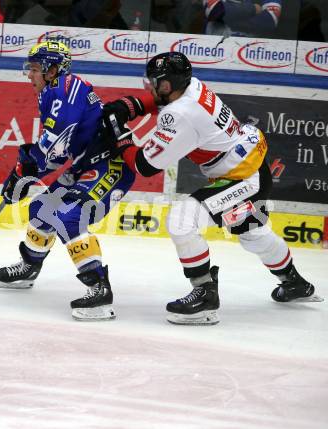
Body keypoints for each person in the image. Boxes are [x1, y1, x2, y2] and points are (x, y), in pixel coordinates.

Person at [103, 51, 323, 325]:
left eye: (154, 81)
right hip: (251, 169)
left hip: (244, 180)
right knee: (252, 233)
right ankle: (295, 283)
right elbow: (164, 100)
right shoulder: (192, 85)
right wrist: (135, 105)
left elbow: (144, 166)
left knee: (182, 220)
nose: (149, 86)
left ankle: (204, 293)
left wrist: (120, 136)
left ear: (168, 85)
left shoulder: (179, 115)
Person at [0, 40, 148, 321]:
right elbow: (57, 154)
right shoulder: (50, 92)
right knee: (41, 210)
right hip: (85, 163)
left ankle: (99, 287)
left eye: (35, 68)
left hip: (110, 164)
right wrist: (25, 174)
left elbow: (53, 146)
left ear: (52, 69)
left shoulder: (66, 90)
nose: (29, 74)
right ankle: (30, 266)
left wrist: (23, 172)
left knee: (70, 215)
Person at [204, 0, 282, 38]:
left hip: (252, 53)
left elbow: (270, 20)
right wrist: (253, 9)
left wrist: (227, 17)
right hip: (216, 51)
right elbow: (214, 10)